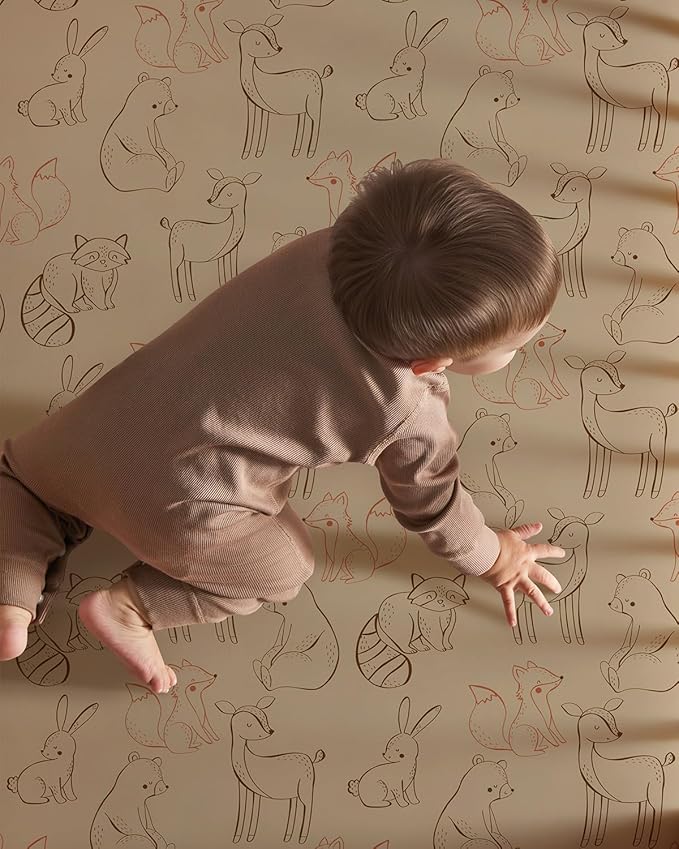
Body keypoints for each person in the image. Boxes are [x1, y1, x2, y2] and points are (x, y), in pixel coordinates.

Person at [0, 158, 565, 694]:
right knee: (285, 567)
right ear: (431, 364)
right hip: (182, 512)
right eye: (514, 347)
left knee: (29, 482)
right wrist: (498, 556)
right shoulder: (410, 409)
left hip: (83, 435)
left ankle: (13, 590)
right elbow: (435, 506)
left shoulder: (329, 249)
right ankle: (129, 608)